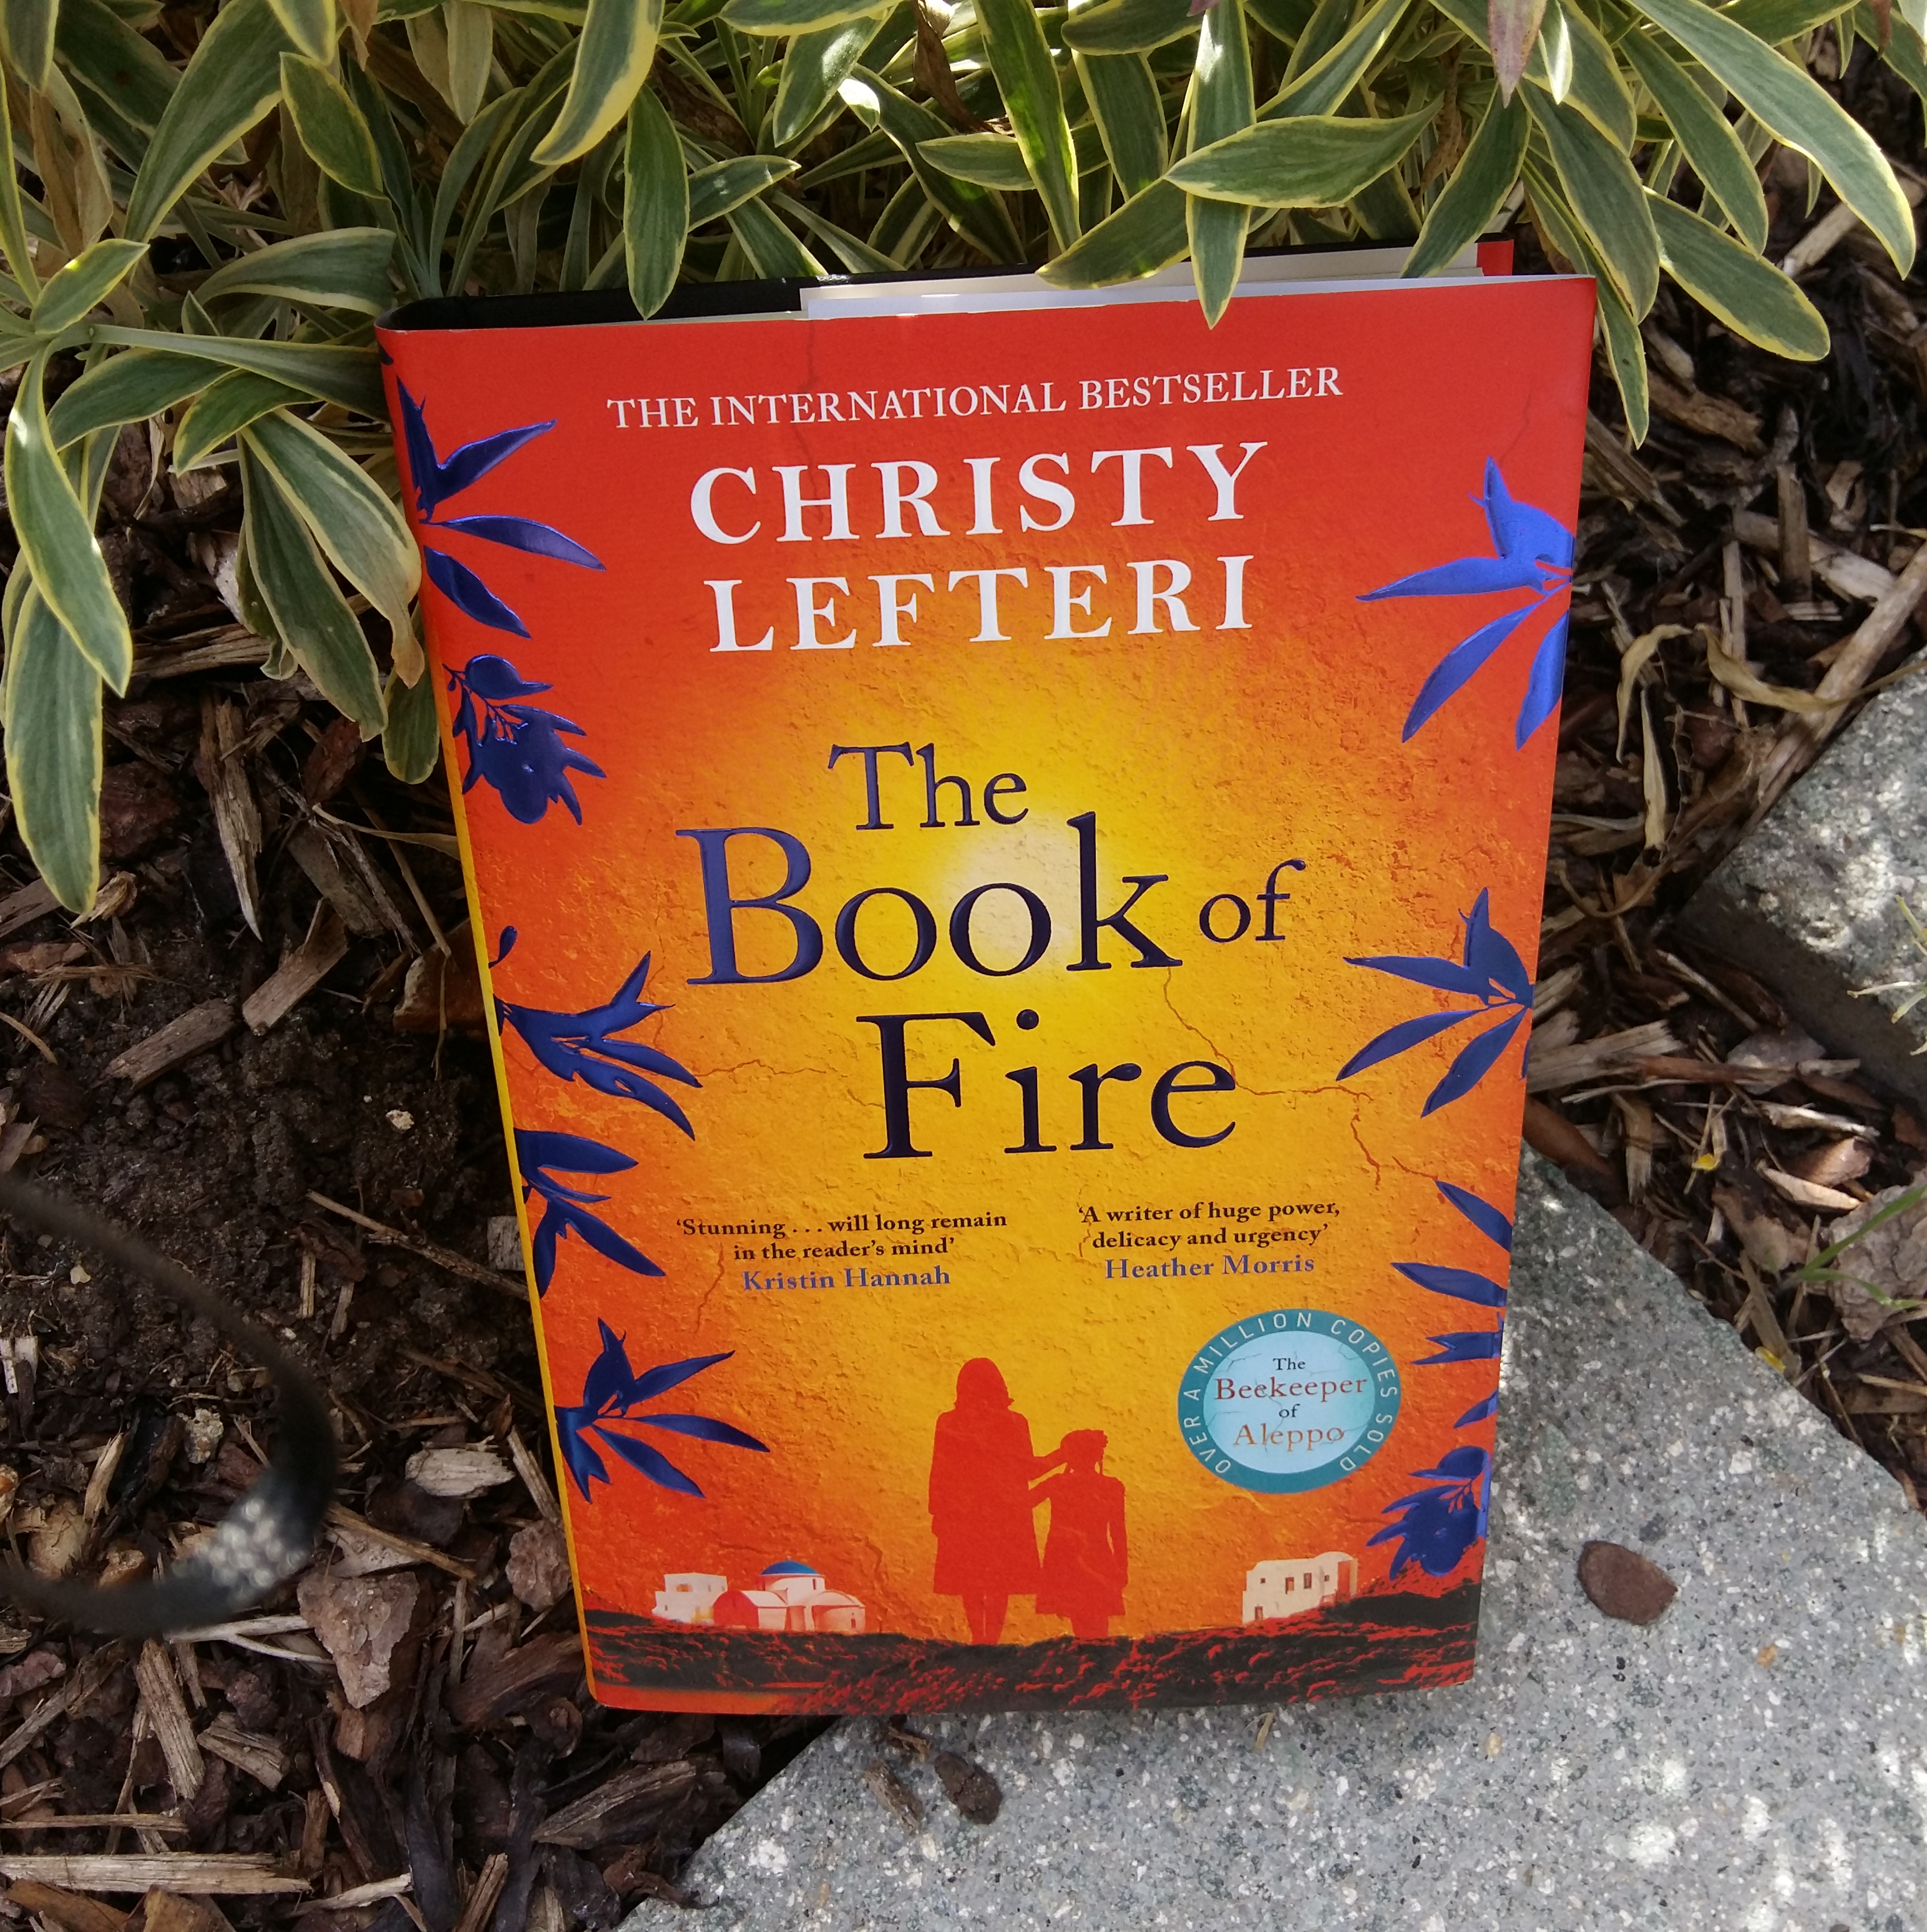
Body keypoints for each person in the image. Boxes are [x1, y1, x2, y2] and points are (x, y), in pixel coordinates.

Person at [929, 1360, 1061, 1644]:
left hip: (984, 1510)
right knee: (987, 1578)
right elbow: (942, 1469)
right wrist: (1061, 1456)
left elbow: (940, 1471)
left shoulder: (957, 1422)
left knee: (982, 1578)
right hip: (988, 1510)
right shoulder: (999, 1422)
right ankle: (986, 1638)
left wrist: (939, 1511)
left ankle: (983, 1638)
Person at [1033, 1429, 1128, 1642]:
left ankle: (1089, 1655)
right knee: (1095, 1616)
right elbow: (1118, 1532)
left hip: (1070, 1556)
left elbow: (1021, 1503)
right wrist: (1122, 1566)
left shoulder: (1059, 1483)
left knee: (1084, 1614)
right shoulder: (1111, 1486)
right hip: (1091, 1555)